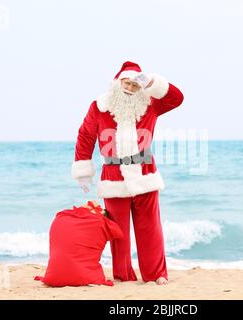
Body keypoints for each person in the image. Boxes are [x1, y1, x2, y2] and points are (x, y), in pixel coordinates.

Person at [72, 61, 184, 285]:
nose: (130, 88)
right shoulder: (100, 106)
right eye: (127, 82)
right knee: (118, 232)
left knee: (150, 229)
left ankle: (156, 274)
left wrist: (152, 82)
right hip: (113, 176)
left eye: (135, 84)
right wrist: (83, 171)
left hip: (145, 174)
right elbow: (85, 136)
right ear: (117, 81)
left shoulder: (150, 104)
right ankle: (123, 275)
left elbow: (177, 98)